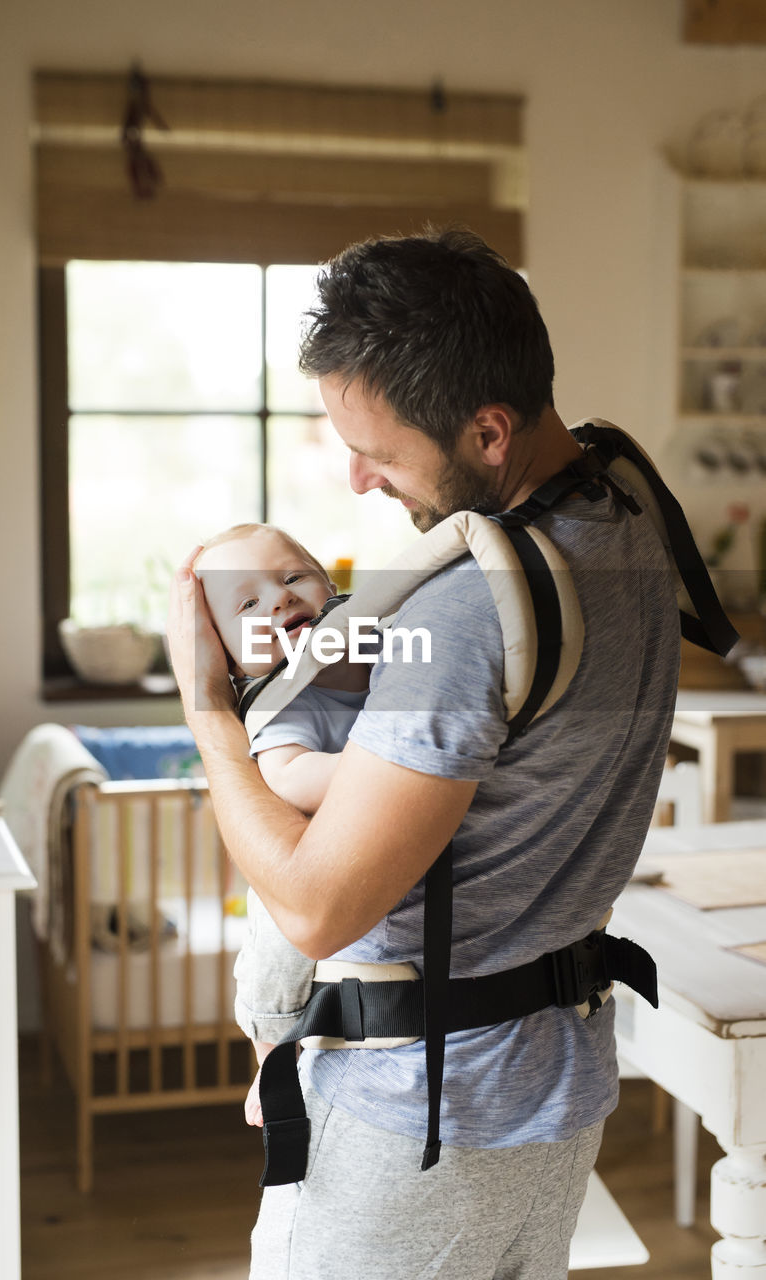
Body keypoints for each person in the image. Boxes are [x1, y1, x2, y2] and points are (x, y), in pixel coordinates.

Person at [167, 227, 680, 1280]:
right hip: (559, 1090)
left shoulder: (464, 610)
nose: (357, 481)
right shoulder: (633, 519)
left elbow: (316, 907)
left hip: (418, 1111)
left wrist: (209, 707)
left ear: (489, 430)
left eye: (382, 453)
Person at [192, 522, 369, 1126]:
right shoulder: (281, 701)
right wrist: (386, 767)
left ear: (333, 590)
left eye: (294, 578)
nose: (280, 598)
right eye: (248, 604)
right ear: (231, 657)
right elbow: (289, 778)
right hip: (303, 855)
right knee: (277, 941)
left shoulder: (382, 656)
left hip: (376, 851)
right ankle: (271, 1054)